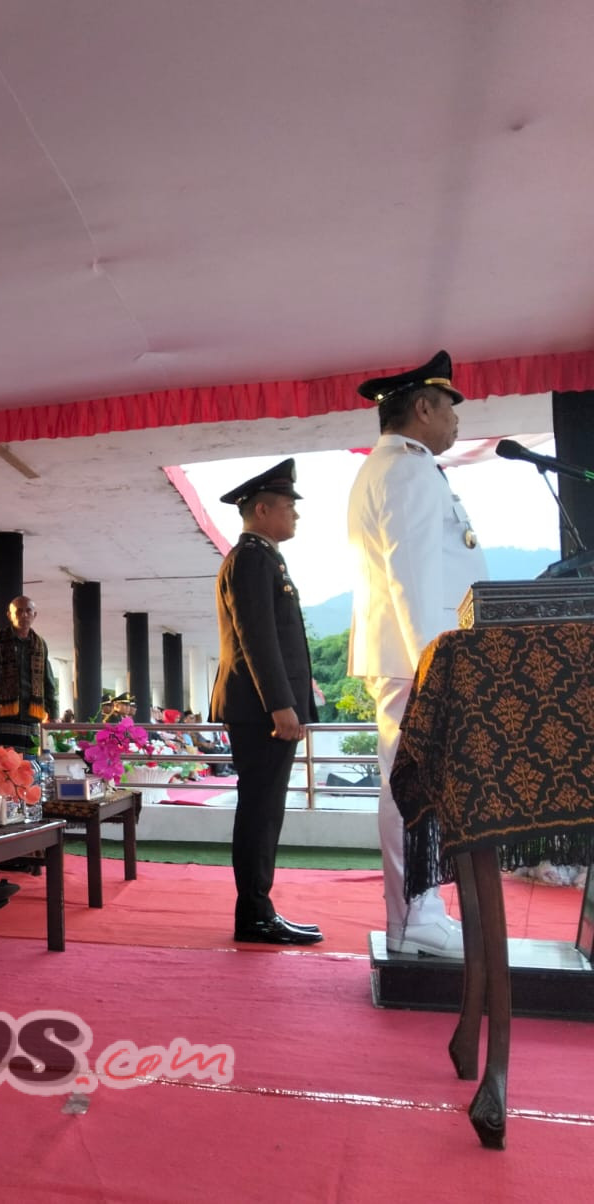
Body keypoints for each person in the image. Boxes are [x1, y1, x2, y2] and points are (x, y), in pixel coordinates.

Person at [347, 350, 485, 958]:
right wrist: (438, 664)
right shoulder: (406, 470)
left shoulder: (394, 467)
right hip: (416, 658)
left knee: (412, 781)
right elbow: (414, 576)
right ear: (423, 407)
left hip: (408, 654)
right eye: (450, 406)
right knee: (412, 784)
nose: (456, 419)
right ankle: (415, 916)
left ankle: (417, 914)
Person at [209, 459, 323, 946]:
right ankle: (254, 914)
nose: (295, 514)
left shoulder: (262, 557)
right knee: (261, 809)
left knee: (265, 808)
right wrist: (280, 704)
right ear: (261, 509)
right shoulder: (252, 559)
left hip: (262, 707)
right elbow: (256, 638)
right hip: (261, 711)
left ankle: (258, 910)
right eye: (288, 506)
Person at [0, 596, 59, 748]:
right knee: (3, 759)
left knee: (30, 759)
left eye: (28, 611)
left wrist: (53, 714)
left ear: (34, 615)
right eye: (19, 611)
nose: (24, 615)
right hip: (3, 714)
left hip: (32, 716)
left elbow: (48, 680)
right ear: (9, 615)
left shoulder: (40, 643)